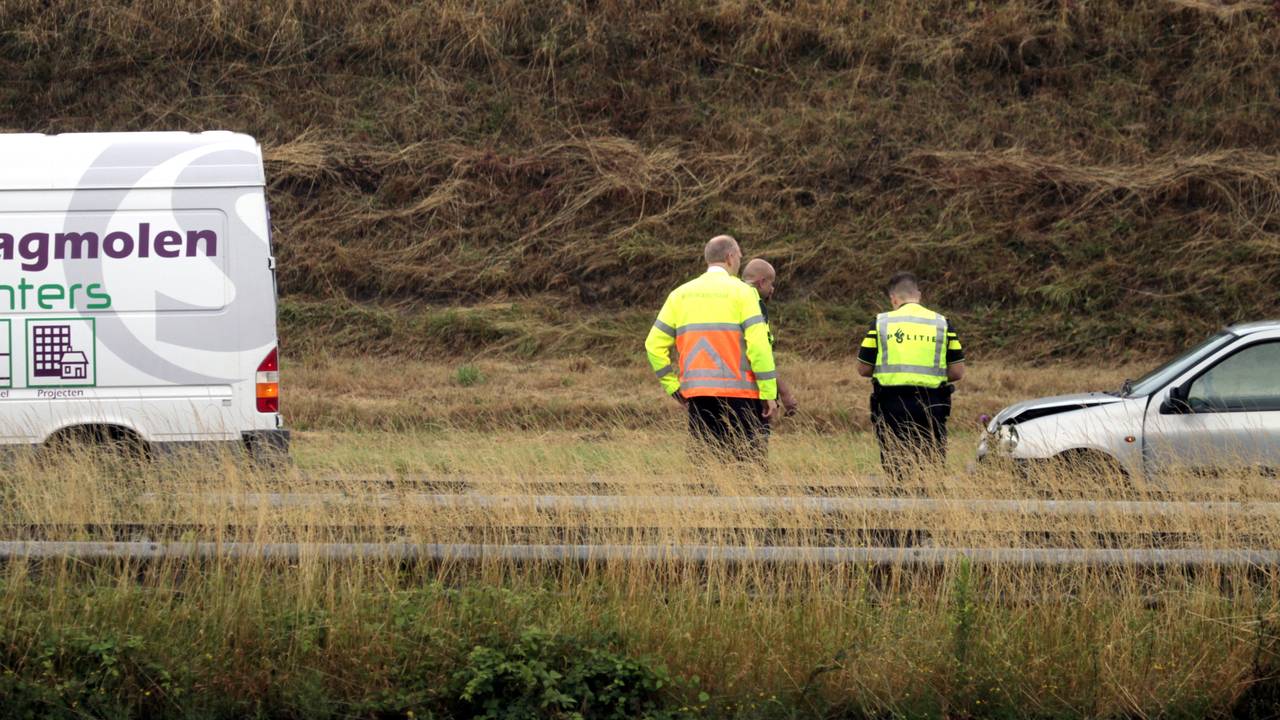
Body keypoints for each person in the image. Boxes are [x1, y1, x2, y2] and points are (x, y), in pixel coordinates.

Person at [645, 235, 778, 464]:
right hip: (742, 397)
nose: (739, 261)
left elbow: (653, 345)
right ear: (729, 257)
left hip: (699, 397)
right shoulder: (744, 293)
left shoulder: (680, 295)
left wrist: (674, 388)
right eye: (739, 256)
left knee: (705, 471)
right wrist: (768, 393)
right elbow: (759, 348)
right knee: (747, 469)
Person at [856, 272, 965, 481]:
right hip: (933, 404)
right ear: (919, 295)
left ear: (893, 298)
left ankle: (901, 506)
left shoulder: (880, 323)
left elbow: (863, 368)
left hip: (891, 405)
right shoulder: (943, 324)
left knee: (897, 468)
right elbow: (957, 371)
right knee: (931, 468)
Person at [741, 258, 799, 442]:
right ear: (761, 282)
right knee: (754, 452)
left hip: (715, 388)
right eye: (771, 283)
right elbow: (761, 353)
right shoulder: (755, 305)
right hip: (751, 391)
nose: (772, 289)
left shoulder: (730, 298)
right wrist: (784, 393)